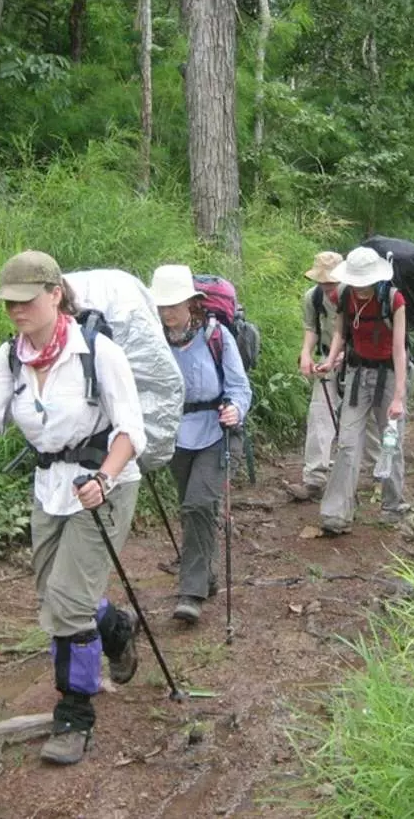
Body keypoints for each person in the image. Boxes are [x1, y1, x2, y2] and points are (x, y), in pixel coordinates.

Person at [0, 250, 146, 766]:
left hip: (104, 487)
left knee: (66, 604)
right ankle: (115, 629)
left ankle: (75, 713)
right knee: (56, 594)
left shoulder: (98, 352)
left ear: (54, 294)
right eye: (8, 303)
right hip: (52, 488)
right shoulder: (11, 358)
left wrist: (104, 478)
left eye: (25, 300)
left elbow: (132, 431)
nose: (16, 311)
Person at [151, 264, 252, 625]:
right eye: (160, 306)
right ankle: (205, 576)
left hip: (217, 430)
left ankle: (190, 592)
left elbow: (239, 386)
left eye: (173, 305)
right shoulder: (155, 341)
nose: (166, 313)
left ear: (192, 303)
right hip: (177, 434)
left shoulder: (216, 335)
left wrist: (235, 410)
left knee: (198, 504)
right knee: (193, 508)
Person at [315, 247, 410, 535]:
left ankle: (393, 506)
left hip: (390, 375)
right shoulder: (345, 296)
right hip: (357, 374)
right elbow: (340, 333)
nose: (358, 285)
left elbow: (399, 349)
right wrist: (330, 360)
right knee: (346, 443)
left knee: (390, 442)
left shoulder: (394, 300)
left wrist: (398, 397)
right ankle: (336, 513)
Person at [288, 252, 385, 502]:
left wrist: (341, 356)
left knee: (370, 421)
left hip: (359, 363)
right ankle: (314, 479)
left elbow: (359, 333)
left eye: (331, 283)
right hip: (327, 363)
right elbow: (311, 328)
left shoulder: (355, 296)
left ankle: (379, 475)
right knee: (319, 414)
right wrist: (306, 354)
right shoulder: (313, 298)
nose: (327, 288)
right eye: (322, 283)